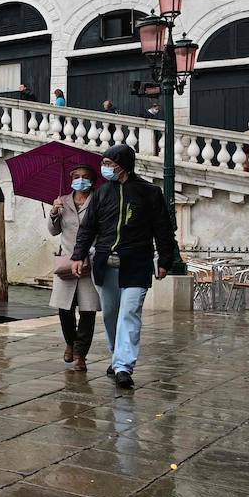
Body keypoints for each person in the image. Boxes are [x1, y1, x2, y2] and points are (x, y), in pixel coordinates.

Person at [71, 144, 177, 389]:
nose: (105, 168)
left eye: (110, 164)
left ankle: (123, 366)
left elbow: (163, 229)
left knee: (129, 313)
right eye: (104, 163)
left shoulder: (149, 193)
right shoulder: (101, 193)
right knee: (110, 314)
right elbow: (88, 228)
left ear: (124, 165)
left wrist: (165, 260)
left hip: (137, 263)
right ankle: (116, 354)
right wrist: (78, 256)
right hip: (105, 264)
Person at [49, 166, 100, 372]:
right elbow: (53, 231)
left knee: (88, 312)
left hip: (90, 262)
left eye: (86, 178)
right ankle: (70, 342)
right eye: (77, 177)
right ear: (71, 179)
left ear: (92, 181)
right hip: (67, 262)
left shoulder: (99, 201)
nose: (81, 181)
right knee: (65, 309)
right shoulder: (62, 200)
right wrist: (54, 212)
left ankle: (80, 355)